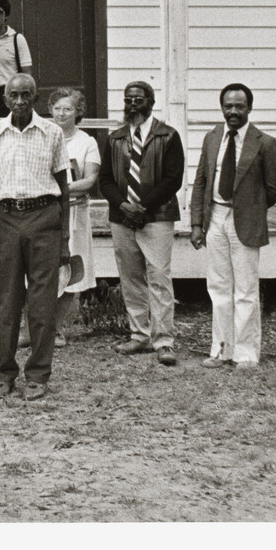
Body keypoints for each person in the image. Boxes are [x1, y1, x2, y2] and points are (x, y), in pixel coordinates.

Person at [0, 73, 70, 401]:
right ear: (5, 99)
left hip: (44, 217)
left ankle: (38, 373)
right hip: (8, 219)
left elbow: (64, 188)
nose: (19, 101)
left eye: (26, 94)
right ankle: (4, 372)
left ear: (36, 97)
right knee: (9, 301)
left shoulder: (52, 133)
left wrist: (65, 239)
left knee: (42, 304)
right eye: (13, 95)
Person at [189, 82, 276, 370]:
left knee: (245, 289)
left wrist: (253, 207)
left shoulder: (264, 143)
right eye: (228, 106)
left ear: (249, 108)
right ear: (222, 107)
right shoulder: (213, 137)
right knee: (218, 287)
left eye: (239, 106)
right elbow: (201, 182)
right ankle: (221, 350)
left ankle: (246, 354)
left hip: (245, 219)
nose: (233, 111)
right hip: (216, 218)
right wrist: (197, 224)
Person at [98, 80, 187, 367]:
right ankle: (139, 335)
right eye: (128, 99)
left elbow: (173, 179)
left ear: (151, 101)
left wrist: (143, 206)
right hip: (122, 217)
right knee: (130, 276)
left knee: (159, 276)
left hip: (157, 216)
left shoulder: (168, 136)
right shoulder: (115, 138)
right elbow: (106, 180)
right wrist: (123, 205)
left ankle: (164, 341)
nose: (133, 104)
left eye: (139, 99)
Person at [48, 89, 100, 345]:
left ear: (78, 112)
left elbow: (89, 180)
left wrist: (59, 190)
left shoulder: (86, 142)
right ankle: (37, 328)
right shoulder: (44, 136)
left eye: (67, 109)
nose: (61, 113)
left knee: (71, 269)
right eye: (57, 108)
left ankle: (56, 328)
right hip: (47, 212)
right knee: (44, 268)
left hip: (75, 213)